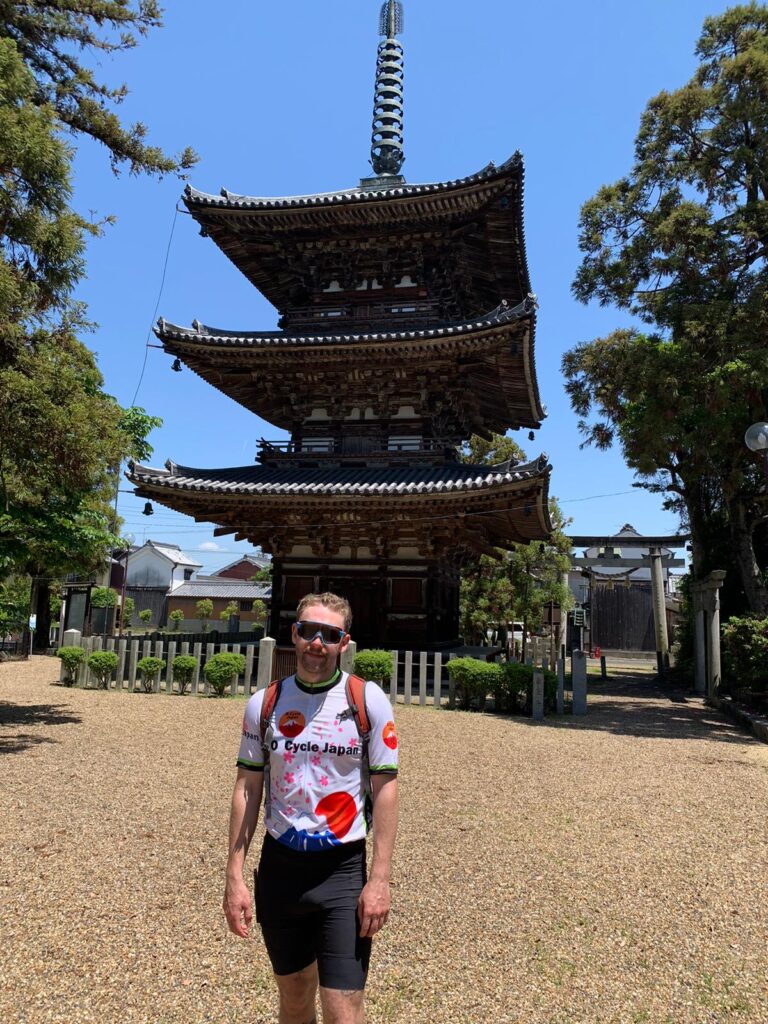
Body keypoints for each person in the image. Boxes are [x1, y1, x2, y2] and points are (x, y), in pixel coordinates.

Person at [223, 592, 399, 1024]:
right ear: (294, 635)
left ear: (345, 642)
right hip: (280, 868)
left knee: (343, 1009)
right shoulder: (264, 703)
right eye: (309, 631)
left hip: (340, 872)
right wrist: (234, 875)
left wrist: (379, 879)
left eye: (330, 634)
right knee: (295, 998)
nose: (317, 643)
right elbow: (247, 787)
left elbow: (386, 790)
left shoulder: (367, 701)